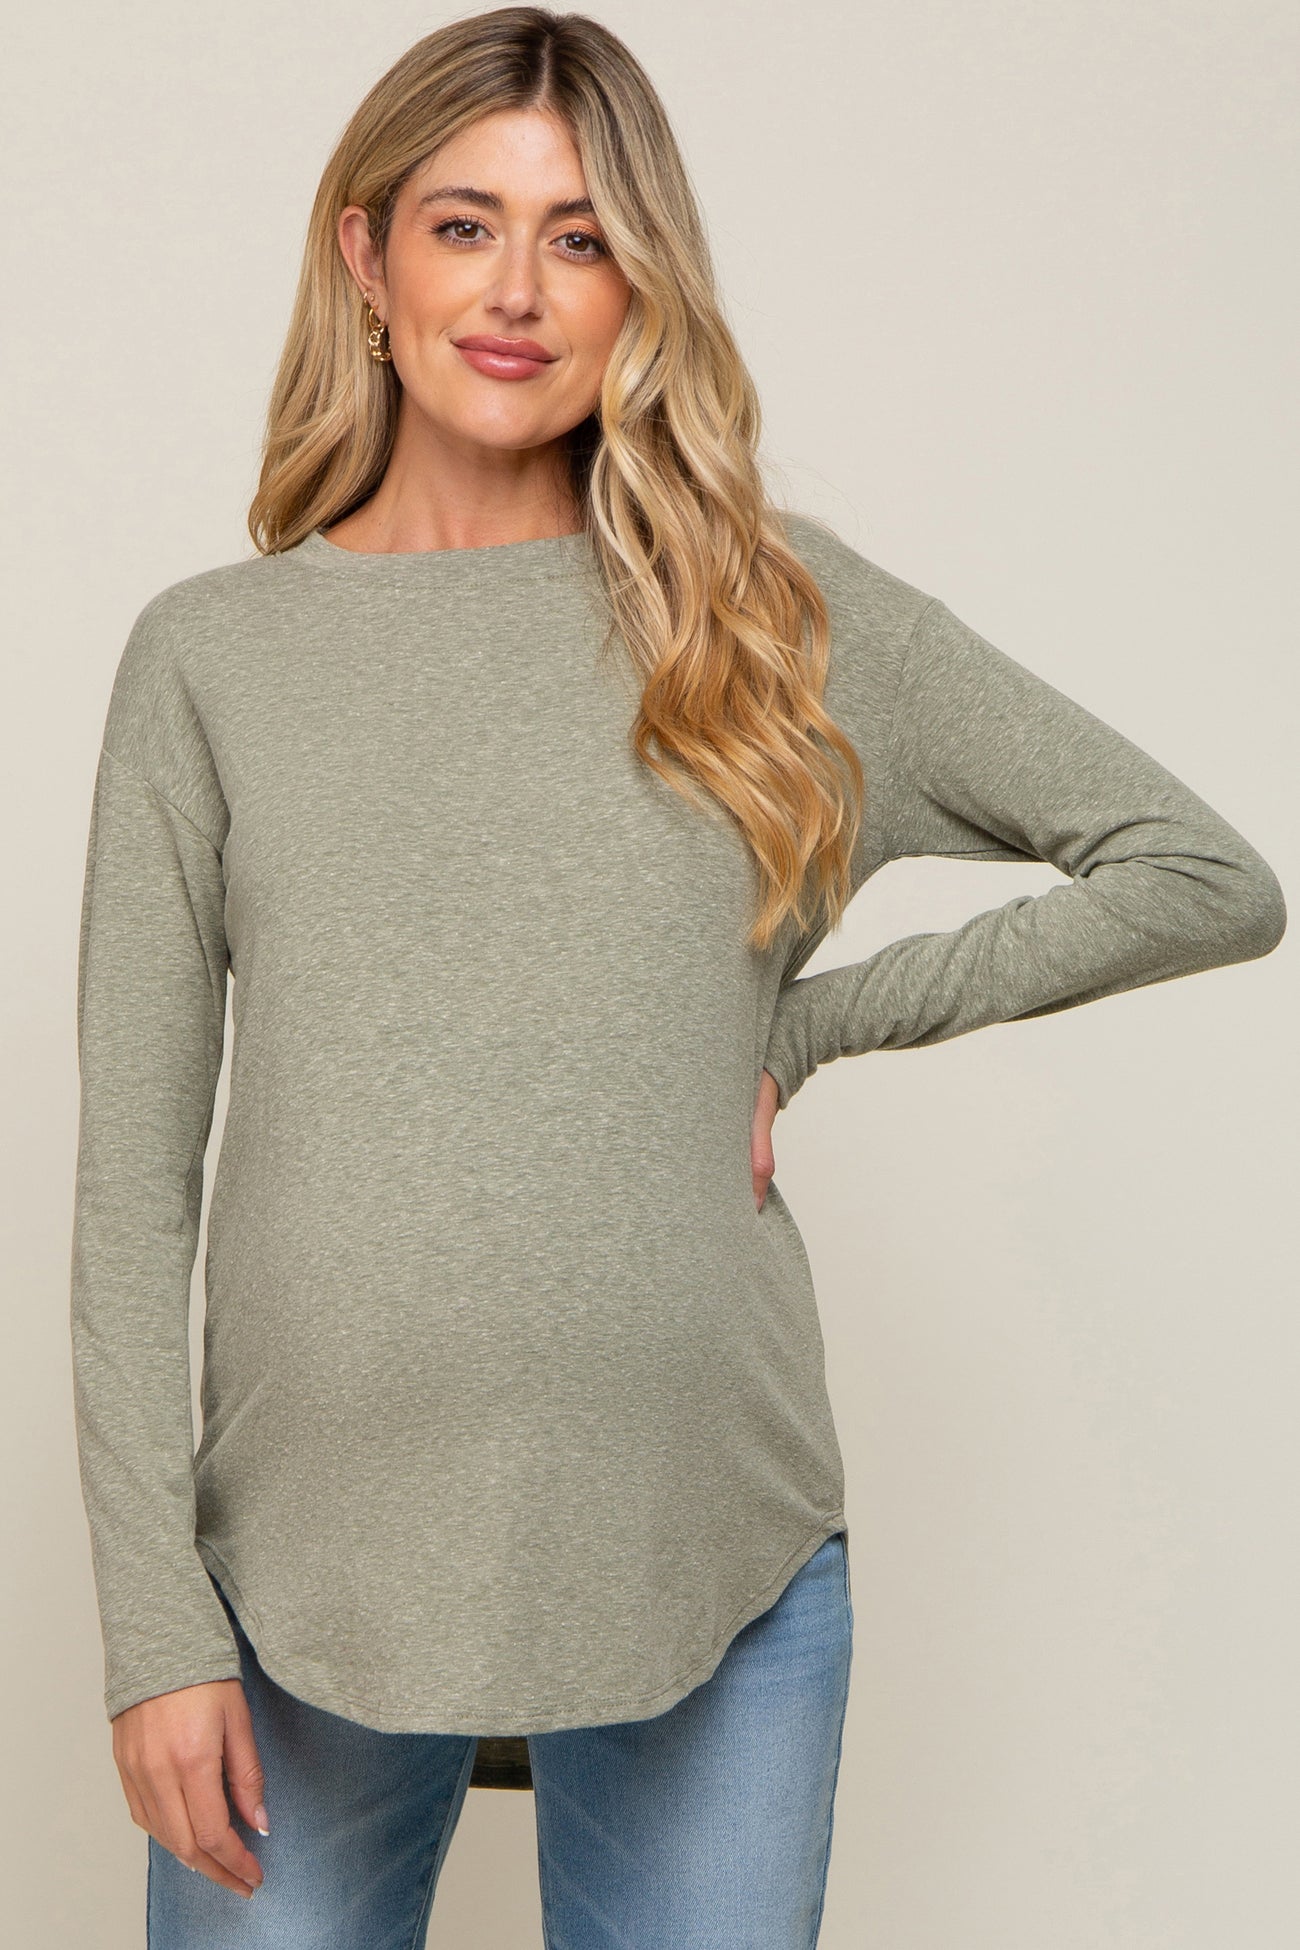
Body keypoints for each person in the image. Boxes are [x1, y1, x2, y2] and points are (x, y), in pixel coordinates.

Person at [69, 9, 1286, 1947]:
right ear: (365, 255)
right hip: (298, 1575)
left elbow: (1198, 874)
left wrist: (808, 1021)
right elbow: (132, 1192)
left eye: (581, 238)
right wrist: (155, 1631)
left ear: (641, 286)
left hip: (710, 1548)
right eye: (465, 225)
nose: (519, 290)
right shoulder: (214, 658)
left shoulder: (770, 614)